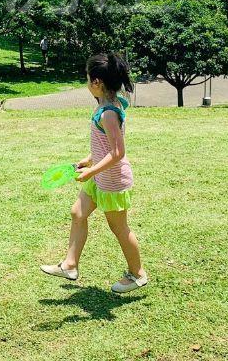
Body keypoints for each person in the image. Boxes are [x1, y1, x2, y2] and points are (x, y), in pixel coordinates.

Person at [40, 51, 147, 294]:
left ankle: (138, 274)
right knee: (78, 213)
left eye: (88, 78)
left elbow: (118, 152)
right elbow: (107, 145)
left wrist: (92, 171)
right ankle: (69, 265)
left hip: (111, 181)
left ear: (97, 82)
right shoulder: (108, 105)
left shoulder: (108, 112)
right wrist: (89, 160)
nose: (87, 83)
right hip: (100, 175)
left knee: (120, 228)